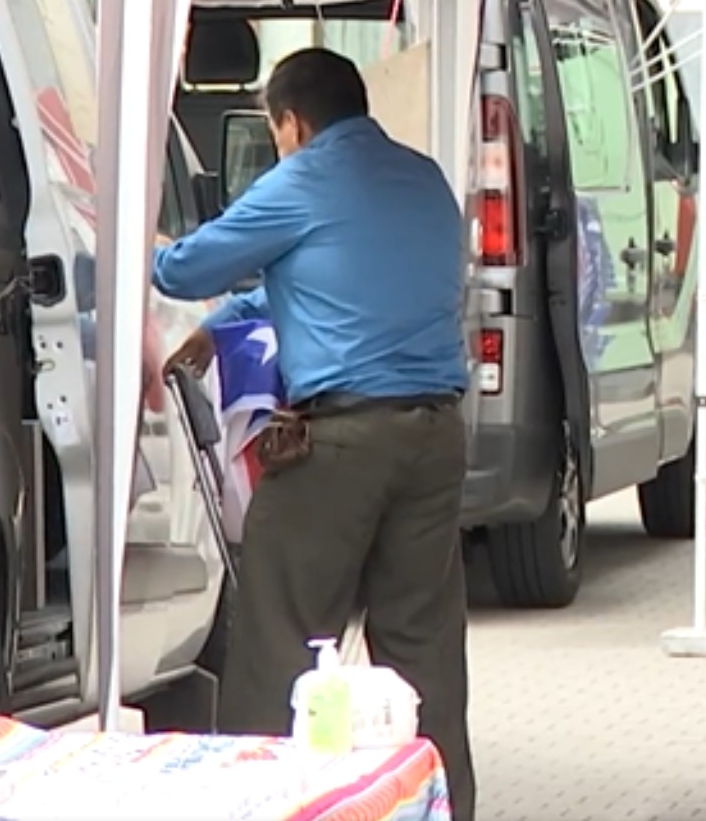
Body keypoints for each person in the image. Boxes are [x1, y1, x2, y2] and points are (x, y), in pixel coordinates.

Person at [154, 48, 476, 821]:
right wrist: (226, 324)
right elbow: (337, 274)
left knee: (282, 636)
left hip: (342, 440)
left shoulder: (299, 181)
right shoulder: (424, 179)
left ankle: (263, 804)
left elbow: (187, 270)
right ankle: (442, 806)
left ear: (290, 123)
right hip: (435, 437)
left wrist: (142, 245)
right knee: (423, 652)